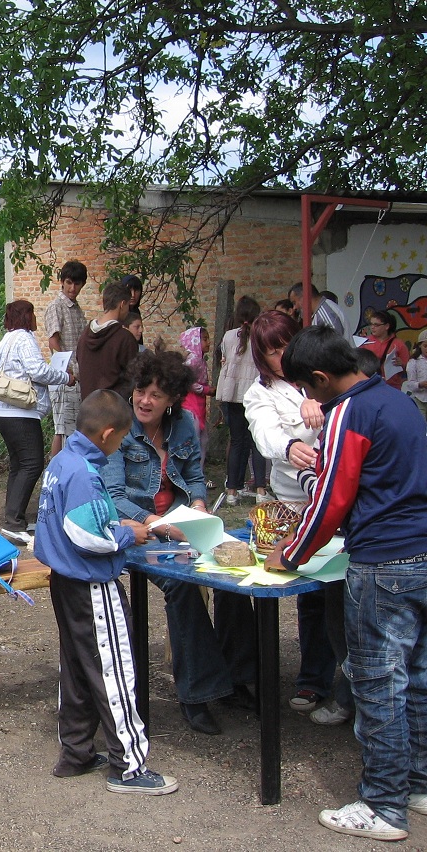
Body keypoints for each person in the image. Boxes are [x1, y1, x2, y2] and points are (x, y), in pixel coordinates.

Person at [266, 326, 427, 842]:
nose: (310, 399)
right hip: (422, 555)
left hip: (382, 563)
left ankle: (383, 804)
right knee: (417, 678)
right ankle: (417, 784)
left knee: (378, 683)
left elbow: (331, 500)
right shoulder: (400, 402)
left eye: (307, 389)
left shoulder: (348, 413)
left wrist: (291, 554)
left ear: (321, 378)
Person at [104, 350, 257, 735]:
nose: (144, 400)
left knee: (234, 572)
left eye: (155, 395)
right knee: (183, 584)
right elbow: (113, 496)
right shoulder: (119, 424)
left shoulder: (184, 422)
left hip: (180, 524)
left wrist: (199, 507)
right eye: (140, 391)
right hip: (136, 531)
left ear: (172, 398)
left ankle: (238, 678)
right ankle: (198, 693)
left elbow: (193, 477)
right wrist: (158, 524)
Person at [34, 390, 178, 795]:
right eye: (122, 438)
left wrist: (116, 527)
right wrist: (128, 535)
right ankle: (128, 767)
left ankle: (76, 752)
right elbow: (89, 537)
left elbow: (69, 523)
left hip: (66, 584)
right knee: (114, 671)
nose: (121, 446)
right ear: (108, 434)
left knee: (79, 669)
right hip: (92, 585)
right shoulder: (84, 473)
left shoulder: (63, 461)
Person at [244, 310, 347, 725]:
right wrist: (288, 446)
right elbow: (265, 433)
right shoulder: (260, 392)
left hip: (340, 493)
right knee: (311, 595)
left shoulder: (320, 373)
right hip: (296, 499)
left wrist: (315, 399)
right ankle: (313, 679)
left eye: (286, 346)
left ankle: (349, 686)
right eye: (272, 352)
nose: (281, 357)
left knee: (342, 589)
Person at [0, 299, 71, 545]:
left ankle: (14, 519)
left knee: (19, 465)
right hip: (21, 413)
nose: (36, 318)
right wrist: (65, 376)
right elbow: (37, 371)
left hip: (3, 412)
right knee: (33, 464)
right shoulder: (25, 338)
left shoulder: (8, 338)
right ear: (26, 316)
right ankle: (14, 523)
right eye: (33, 313)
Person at [216, 296, 267, 506]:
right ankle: (261, 490)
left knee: (237, 441)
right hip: (255, 393)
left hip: (234, 394)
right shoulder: (260, 336)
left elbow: (224, 360)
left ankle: (232, 491)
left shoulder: (228, 336)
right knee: (257, 441)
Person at [43, 260, 88, 458]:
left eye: (77, 284)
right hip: (63, 376)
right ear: (62, 282)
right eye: (69, 282)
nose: (72, 288)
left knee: (73, 429)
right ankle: (55, 470)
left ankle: (68, 469)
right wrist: (65, 371)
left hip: (77, 376)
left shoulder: (77, 309)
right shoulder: (56, 306)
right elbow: (53, 341)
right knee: (62, 430)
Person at [77, 280, 138, 401]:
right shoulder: (125, 339)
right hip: (115, 408)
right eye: (128, 306)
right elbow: (135, 378)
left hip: (88, 407)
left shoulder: (84, 336)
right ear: (122, 304)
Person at [178, 326, 213, 444]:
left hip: (199, 402)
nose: (208, 343)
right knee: (195, 435)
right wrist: (206, 390)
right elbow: (187, 380)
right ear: (195, 341)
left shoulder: (199, 359)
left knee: (202, 437)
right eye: (205, 339)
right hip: (191, 403)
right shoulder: (193, 360)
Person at [358, 309, 409, 390]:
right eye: (371, 324)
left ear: (386, 326)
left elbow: (409, 368)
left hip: (392, 386)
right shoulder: (365, 342)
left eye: (376, 325)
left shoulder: (398, 344)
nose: (372, 327)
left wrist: (402, 364)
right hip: (369, 385)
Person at [402, 328, 427, 420]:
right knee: (422, 423)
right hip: (419, 398)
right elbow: (410, 384)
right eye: (425, 346)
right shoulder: (414, 362)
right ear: (420, 346)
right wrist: (420, 384)